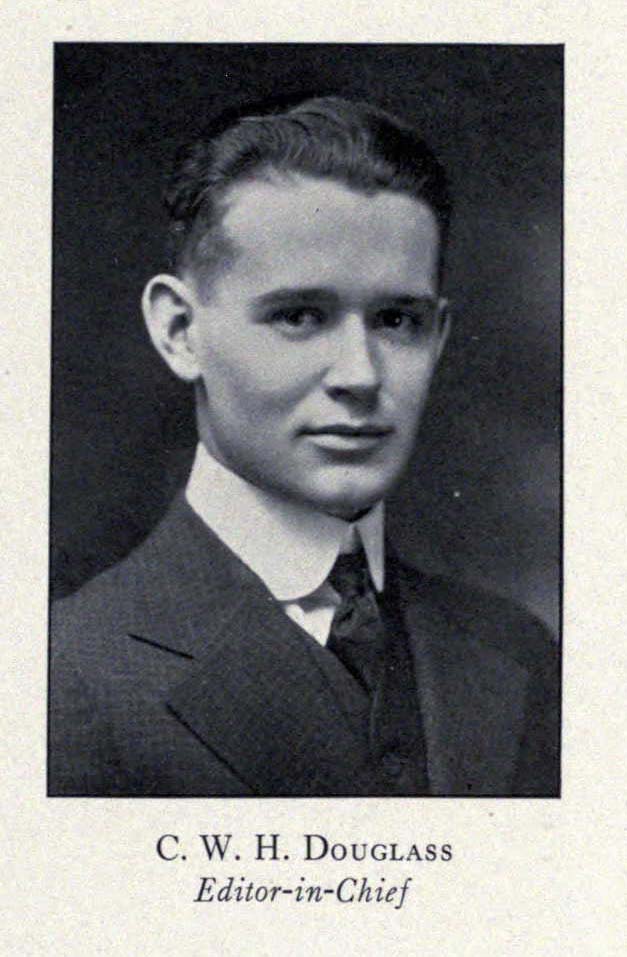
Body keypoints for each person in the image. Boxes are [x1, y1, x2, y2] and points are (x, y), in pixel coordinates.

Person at [49, 96, 559, 797]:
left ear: (438, 337)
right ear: (179, 331)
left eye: (395, 320)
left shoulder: (516, 651)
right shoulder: (64, 676)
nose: (359, 374)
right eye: (298, 316)